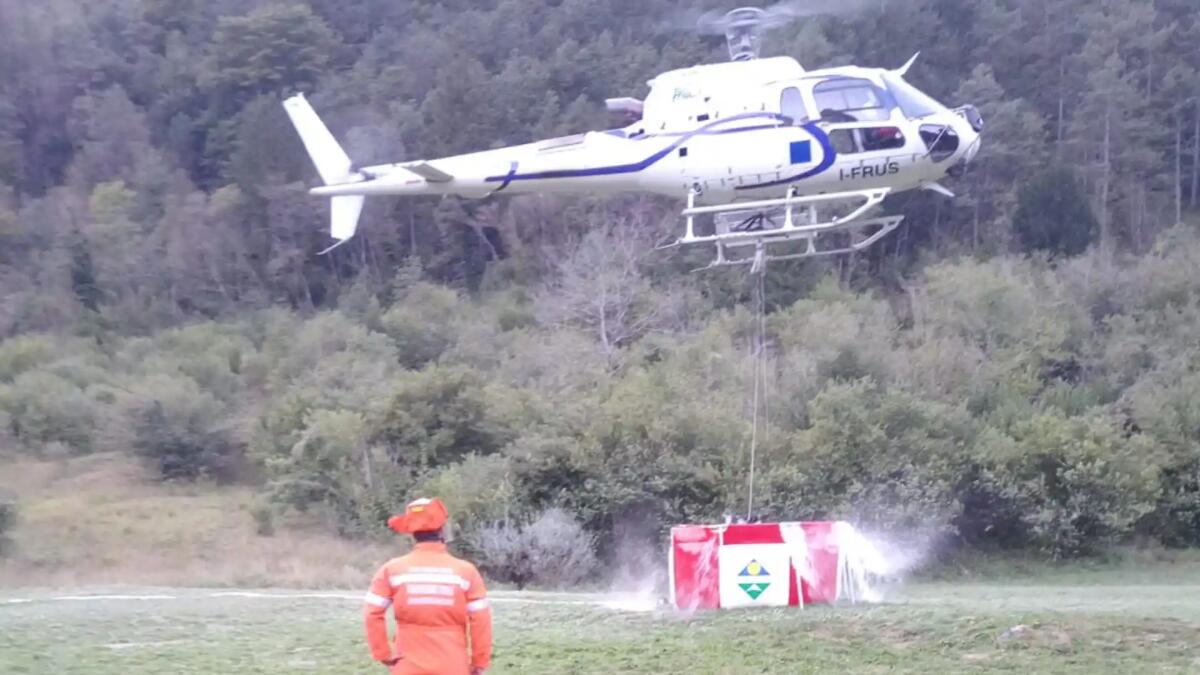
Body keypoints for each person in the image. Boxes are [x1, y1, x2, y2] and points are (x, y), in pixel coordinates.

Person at [363, 497, 493, 675]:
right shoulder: (466, 572)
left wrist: (382, 653)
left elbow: (372, 613)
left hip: (407, 665)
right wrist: (479, 661)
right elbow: (481, 621)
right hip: (452, 663)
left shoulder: (392, 570)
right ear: (442, 531)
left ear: (411, 532)